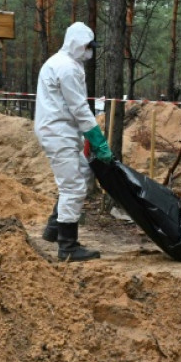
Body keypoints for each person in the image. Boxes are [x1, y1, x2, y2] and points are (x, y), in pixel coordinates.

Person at [35, 22, 112, 262]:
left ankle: (54, 229)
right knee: (73, 187)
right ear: (78, 44)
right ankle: (67, 246)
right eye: (88, 46)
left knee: (80, 173)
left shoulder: (62, 63)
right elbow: (79, 107)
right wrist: (96, 138)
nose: (90, 51)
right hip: (58, 132)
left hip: (62, 130)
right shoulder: (66, 68)